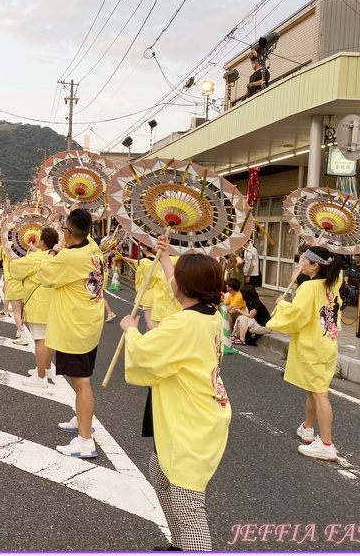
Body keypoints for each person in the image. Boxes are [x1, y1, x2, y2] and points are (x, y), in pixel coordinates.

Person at [121, 235, 231, 551]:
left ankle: (190, 546)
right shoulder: (210, 313)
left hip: (188, 422)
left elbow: (143, 354)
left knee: (186, 501)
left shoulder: (183, 324)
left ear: (184, 287)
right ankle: (179, 544)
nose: (173, 282)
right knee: (160, 476)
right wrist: (167, 256)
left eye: (177, 278)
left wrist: (130, 328)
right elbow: (176, 283)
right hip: (192, 412)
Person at [39, 208, 105, 458]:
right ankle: (82, 420)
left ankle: (85, 441)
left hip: (75, 325)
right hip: (89, 320)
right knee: (82, 378)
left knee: (81, 381)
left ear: (67, 232)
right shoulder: (93, 249)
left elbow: (46, 275)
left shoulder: (69, 258)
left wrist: (55, 250)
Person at [267, 246, 342, 461]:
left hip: (313, 346)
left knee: (320, 393)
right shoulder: (333, 283)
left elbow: (296, 316)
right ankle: (308, 429)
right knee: (314, 389)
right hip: (327, 343)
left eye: (305, 259)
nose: (301, 262)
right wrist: (299, 278)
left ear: (315, 265)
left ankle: (327, 444)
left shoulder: (309, 288)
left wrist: (282, 304)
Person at [10, 228, 59, 389]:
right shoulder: (58, 256)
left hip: (39, 301)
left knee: (40, 339)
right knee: (49, 337)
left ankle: (41, 376)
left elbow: (16, 269)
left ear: (42, 242)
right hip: (55, 301)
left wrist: (30, 253)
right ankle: (47, 368)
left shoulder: (36, 257)